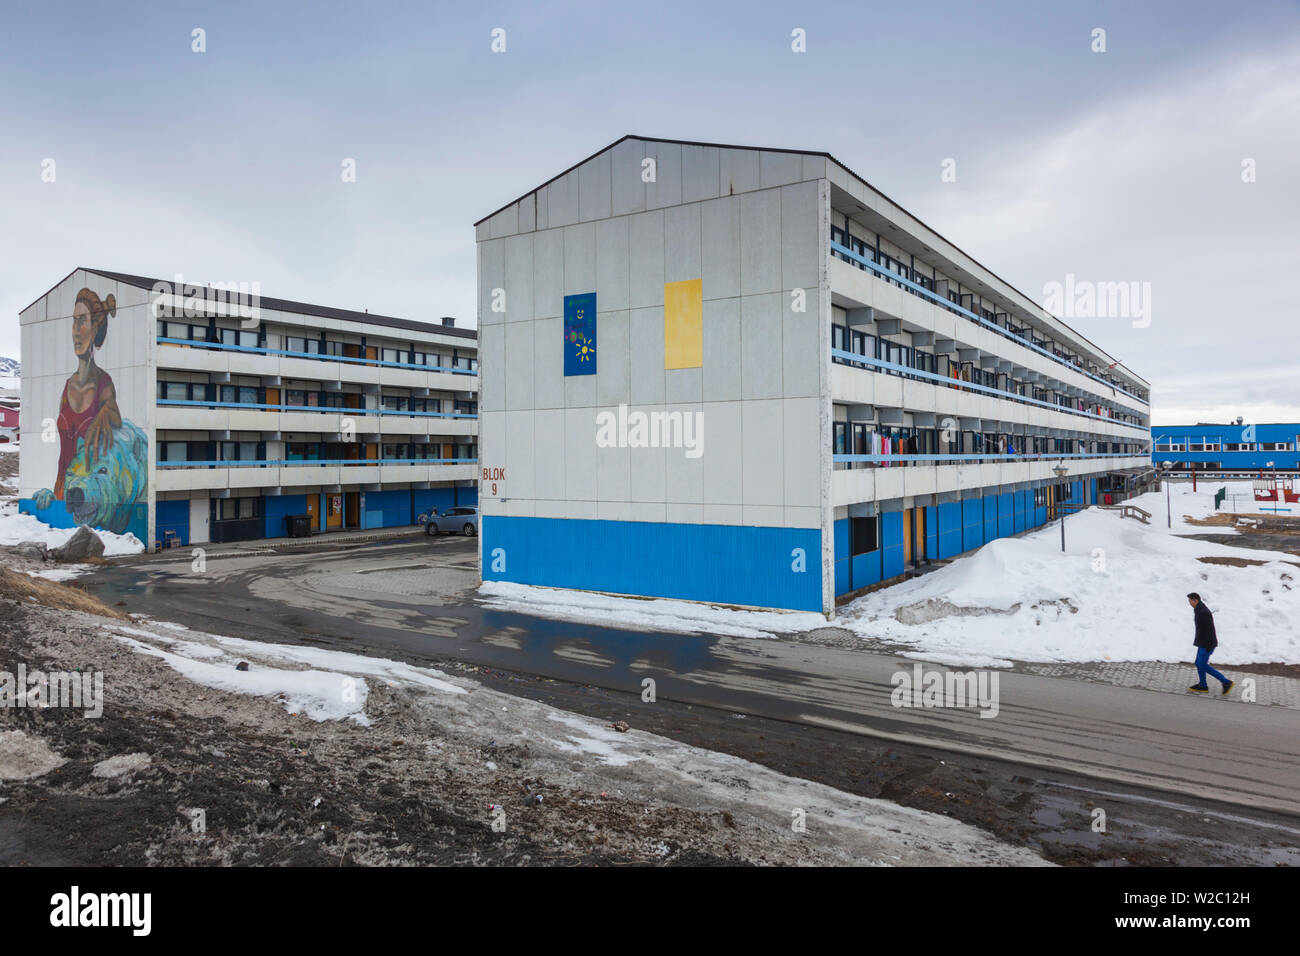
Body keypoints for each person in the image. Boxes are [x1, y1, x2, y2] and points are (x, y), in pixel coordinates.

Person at [1187, 592, 1233, 695]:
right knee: (1198, 663)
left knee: (1202, 665)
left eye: (1190, 601)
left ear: (1195, 600)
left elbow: (1209, 630)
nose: (1189, 603)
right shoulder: (1199, 609)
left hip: (1207, 644)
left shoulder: (1204, 612)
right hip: (1202, 642)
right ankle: (1203, 685)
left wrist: (1208, 645)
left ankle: (1226, 682)